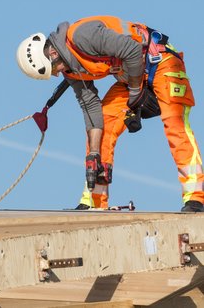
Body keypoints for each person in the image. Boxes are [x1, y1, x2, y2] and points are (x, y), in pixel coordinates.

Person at [16, 15, 204, 212]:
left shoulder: (82, 36)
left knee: (174, 124)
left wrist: (134, 93)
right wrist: (94, 154)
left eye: (53, 69)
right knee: (102, 127)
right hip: (130, 77)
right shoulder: (70, 71)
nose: (55, 74)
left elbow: (131, 50)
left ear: (53, 53)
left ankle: (196, 197)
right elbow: (90, 108)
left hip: (161, 62)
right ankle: (94, 203)